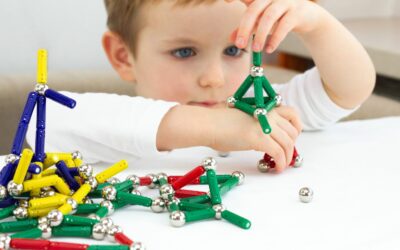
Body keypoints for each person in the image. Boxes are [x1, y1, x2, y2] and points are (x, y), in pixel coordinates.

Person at [27, 0, 375, 171]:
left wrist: (318, 25)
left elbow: (347, 89)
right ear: (123, 56)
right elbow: (48, 117)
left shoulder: (260, 111)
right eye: (184, 51)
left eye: (234, 50)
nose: (215, 78)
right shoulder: (110, 127)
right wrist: (212, 127)